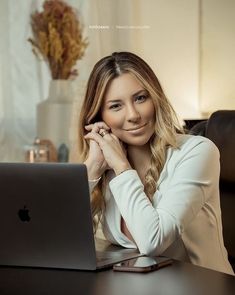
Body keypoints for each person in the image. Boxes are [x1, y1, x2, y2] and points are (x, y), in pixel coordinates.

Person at [77, 51, 234, 275]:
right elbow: (52, 237)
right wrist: (92, 167)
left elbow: (153, 241)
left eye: (140, 98)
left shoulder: (197, 152)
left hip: (204, 287)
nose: (133, 115)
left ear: (155, 98)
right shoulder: (108, 167)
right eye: (115, 106)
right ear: (98, 117)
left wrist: (122, 167)